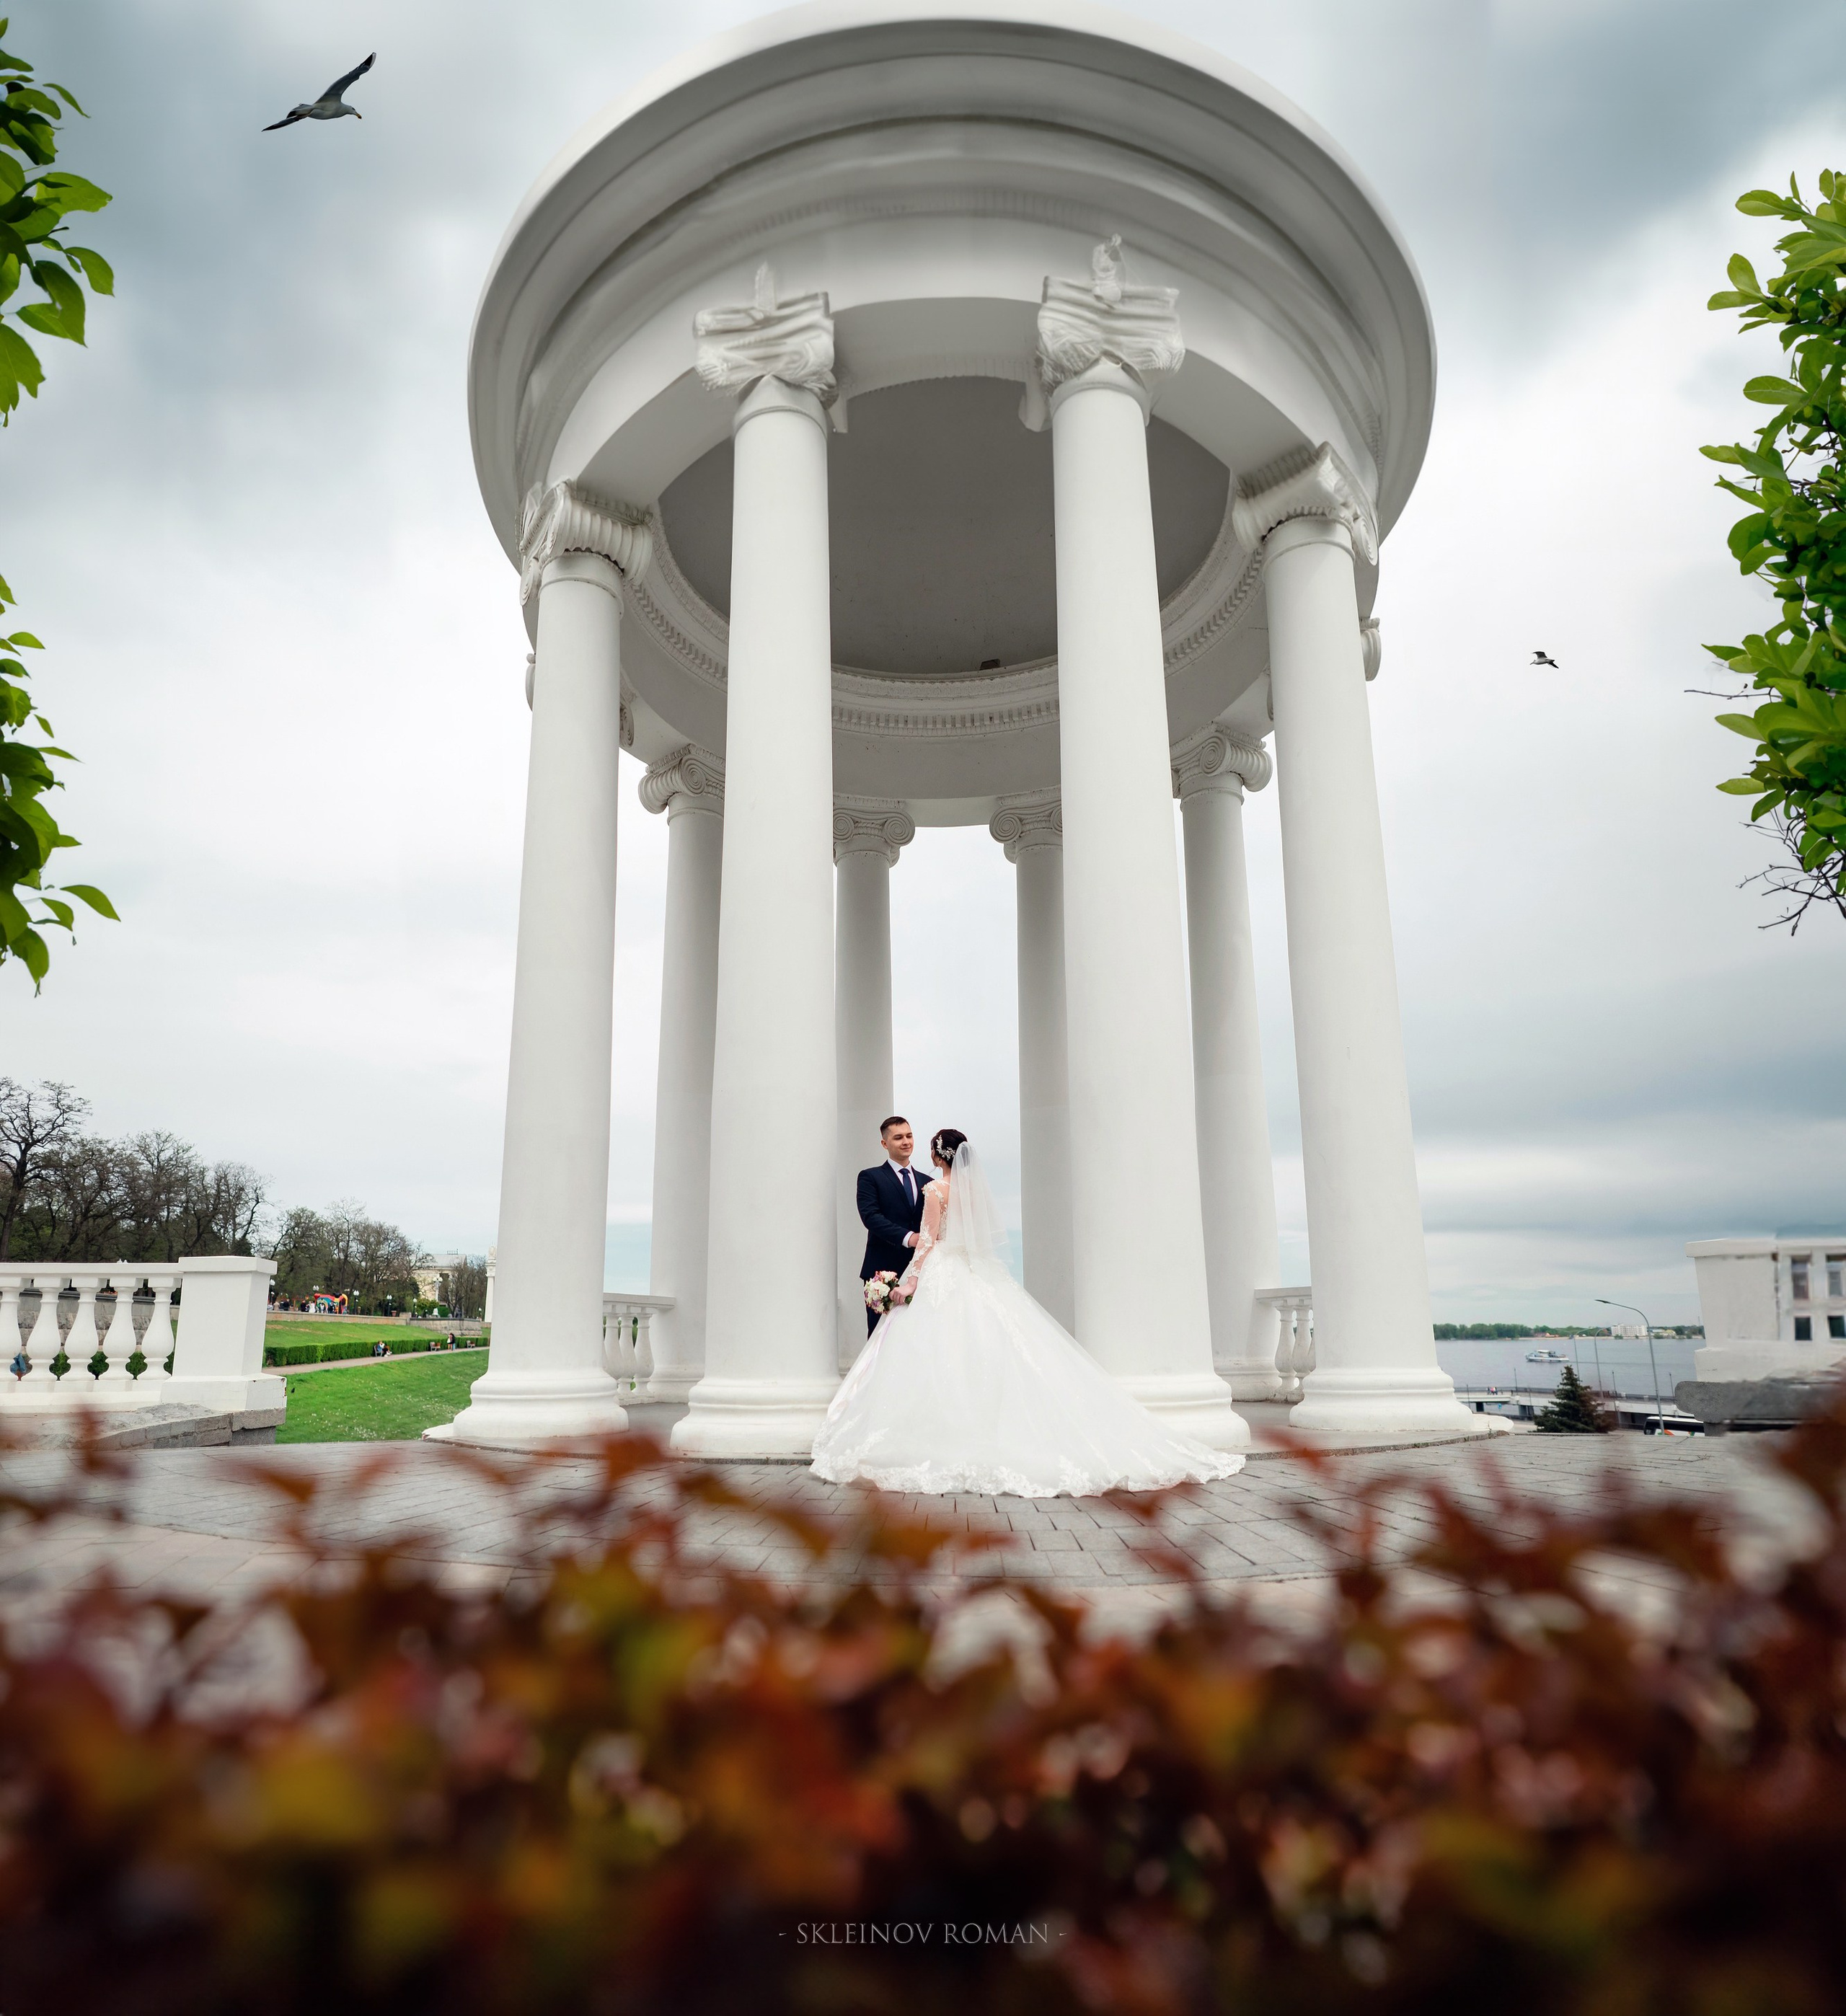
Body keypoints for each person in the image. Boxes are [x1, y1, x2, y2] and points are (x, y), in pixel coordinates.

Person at [813, 1129, 1243, 1496]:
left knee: (935, 1350)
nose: (914, 1146)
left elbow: (927, 1241)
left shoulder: (934, 1190)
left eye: (921, 1143)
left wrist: (909, 1282)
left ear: (937, 1155)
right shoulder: (971, 1192)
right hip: (974, 1272)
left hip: (943, 1271)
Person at [855, 1115, 929, 1336]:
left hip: (920, 1272)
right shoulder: (870, 1177)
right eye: (898, 1138)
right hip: (882, 1271)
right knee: (880, 1336)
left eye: (909, 1136)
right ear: (884, 1143)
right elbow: (871, 1217)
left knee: (917, 1336)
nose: (906, 1142)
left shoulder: (928, 1182)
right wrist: (909, 1237)